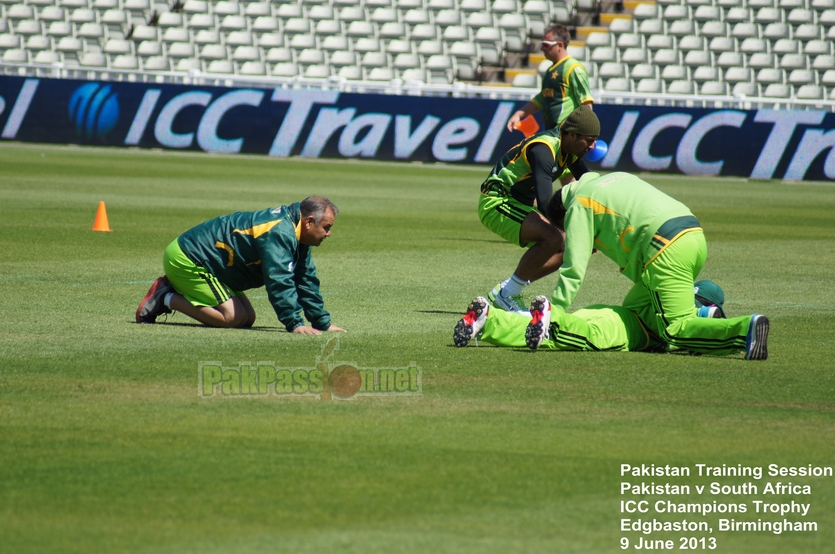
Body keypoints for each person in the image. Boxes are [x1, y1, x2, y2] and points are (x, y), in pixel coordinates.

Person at [539, 171, 769, 360]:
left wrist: (553, 314)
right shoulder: (615, 177)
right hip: (693, 235)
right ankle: (703, 316)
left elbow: (573, 270)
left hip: (664, 248)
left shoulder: (579, 205)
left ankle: (743, 331)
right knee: (636, 306)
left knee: (674, 330)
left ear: (564, 216)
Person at [136, 196, 346, 335]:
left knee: (247, 319)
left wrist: (322, 323)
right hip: (189, 258)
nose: (329, 233)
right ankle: (165, 297)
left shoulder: (297, 234)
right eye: (327, 227)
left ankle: (172, 294)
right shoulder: (280, 232)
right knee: (232, 318)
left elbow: (305, 278)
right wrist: (295, 323)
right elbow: (280, 279)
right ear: (309, 222)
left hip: (215, 266)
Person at [480, 105, 599, 314]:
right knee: (554, 238)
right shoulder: (544, 149)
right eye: (589, 140)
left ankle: (508, 289)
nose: (593, 146)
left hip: (519, 203)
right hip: (497, 201)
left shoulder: (569, 151)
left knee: (571, 245)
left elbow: (591, 187)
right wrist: (578, 227)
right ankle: (507, 296)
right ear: (572, 134)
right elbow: (545, 203)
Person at [453, 279, 727, 352]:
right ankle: (552, 318)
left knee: (535, 330)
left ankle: (488, 321)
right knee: (587, 337)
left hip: (612, 310)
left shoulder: (670, 288)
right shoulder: (693, 309)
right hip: (634, 329)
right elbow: (711, 317)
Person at [506, 24, 594, 134]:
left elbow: (585, 103)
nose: (542, 48)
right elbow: (542, 98)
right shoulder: (551, 70)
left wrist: (588, 132)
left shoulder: (573, 68)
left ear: (560, 45)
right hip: (551, 133)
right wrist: (519, 113)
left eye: (546, 45)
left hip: (566, 133)